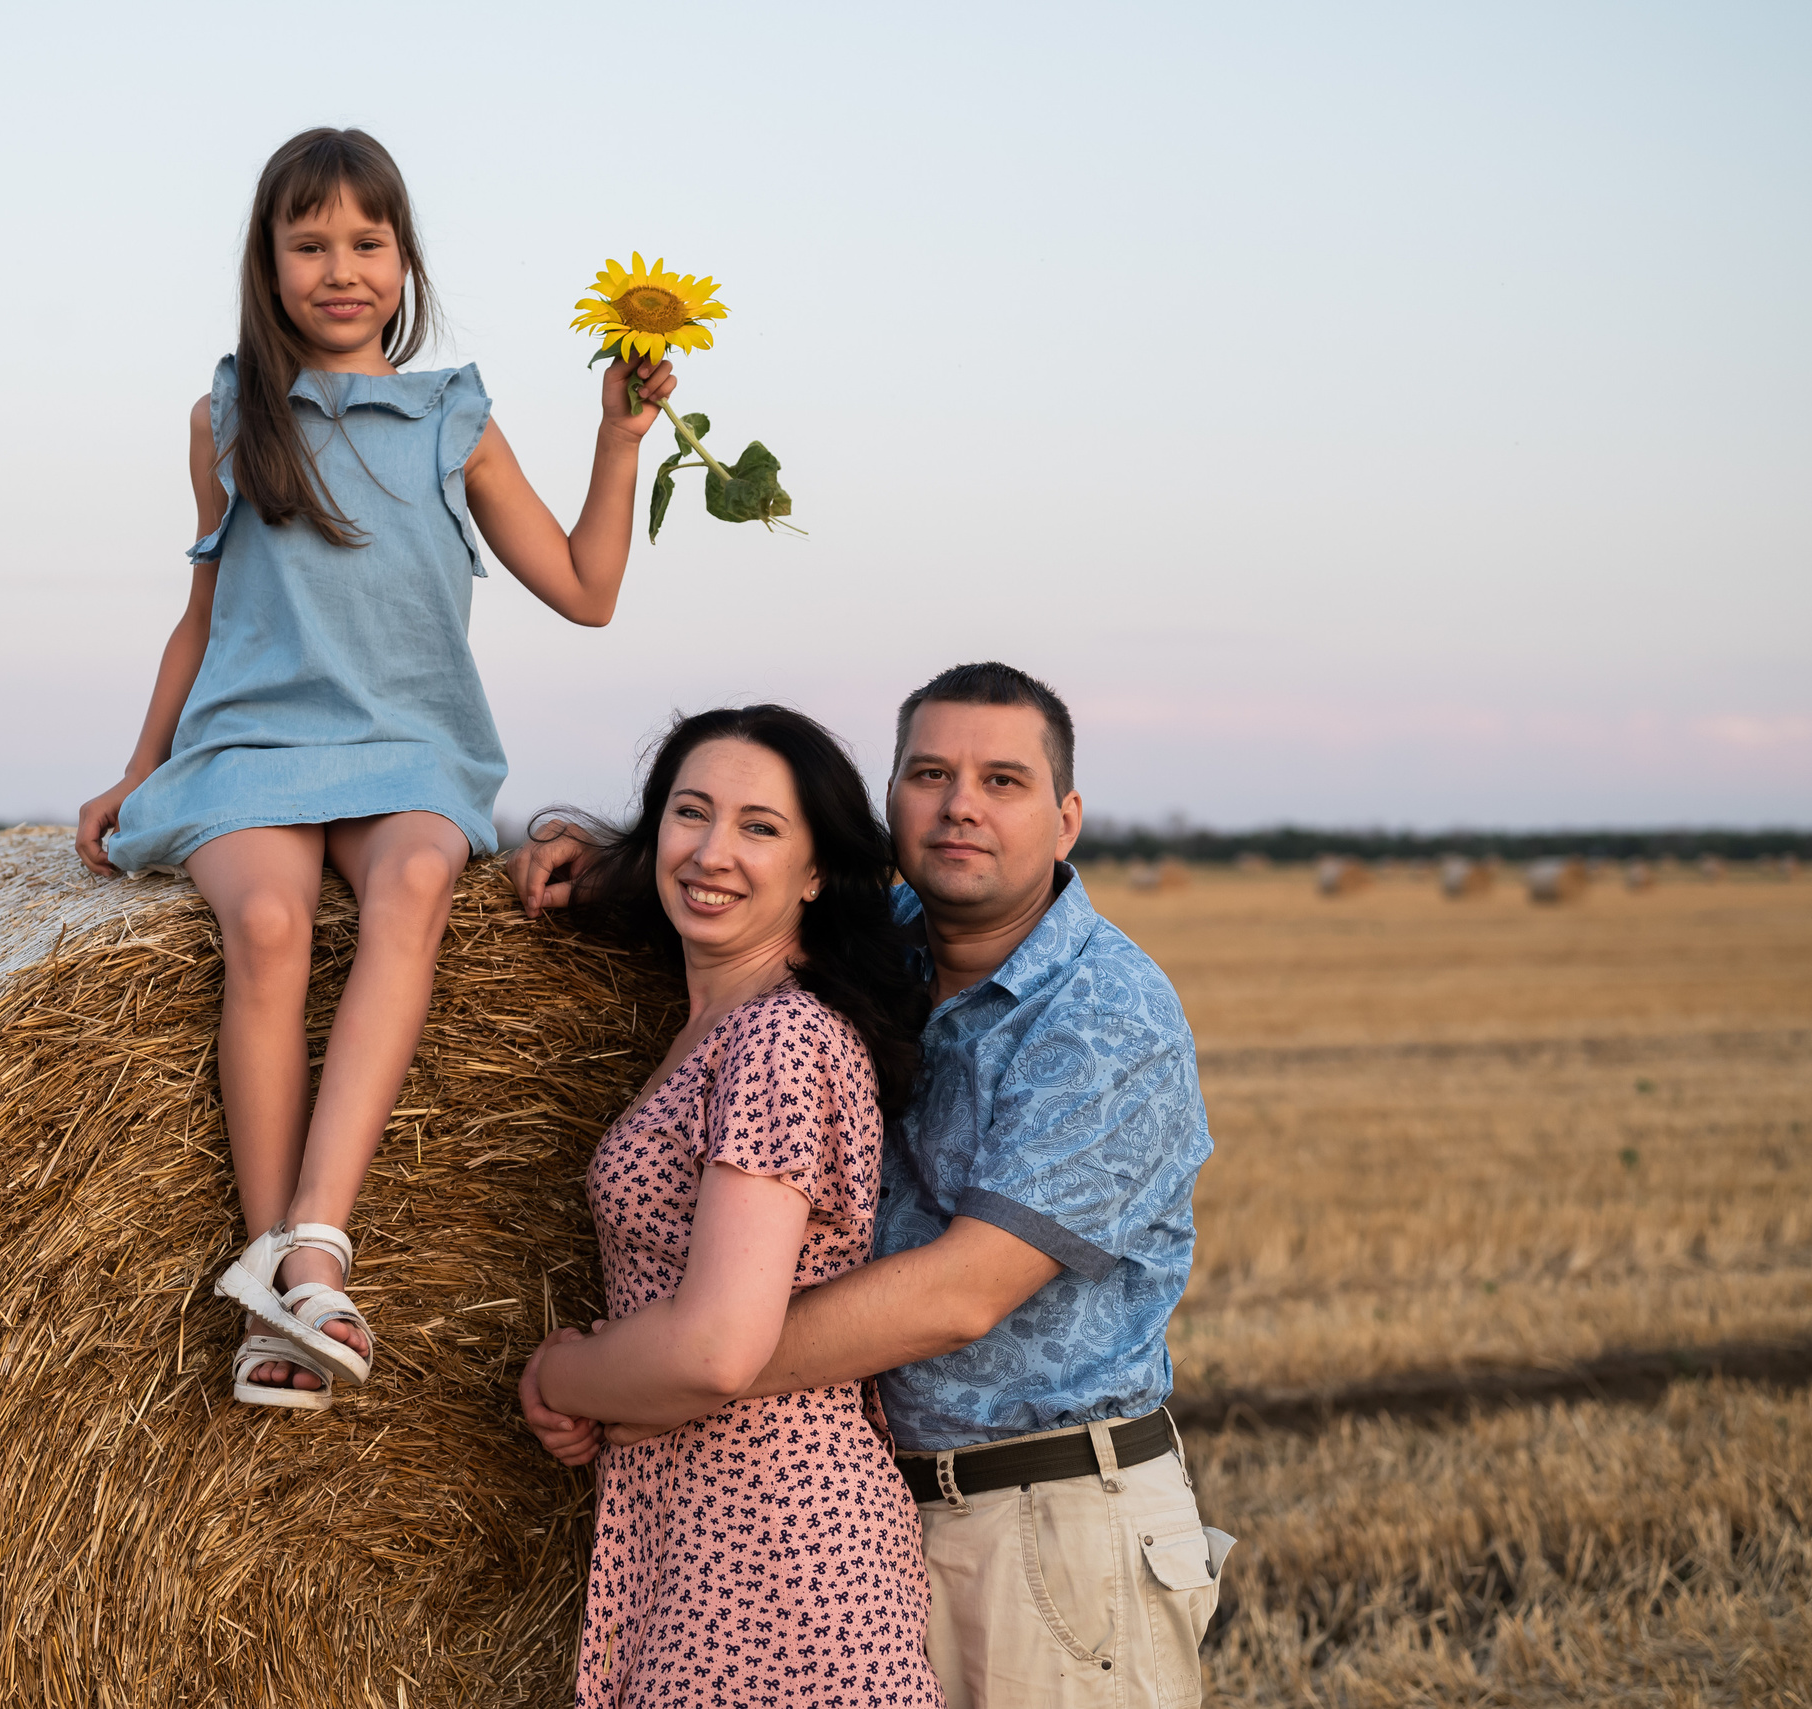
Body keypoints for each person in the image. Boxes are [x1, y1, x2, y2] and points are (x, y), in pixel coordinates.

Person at [73, 127, 677, 1409]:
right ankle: (271, 1274)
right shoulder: (227, 416)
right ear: (267, 262)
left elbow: (586, 589)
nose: (339, 269)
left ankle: (315, 1245)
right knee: (267, 924)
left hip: (409, 747)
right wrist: (137, 767)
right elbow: (202, 612)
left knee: (412, 883)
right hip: (249, 745)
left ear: (405, 261)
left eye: (366, 242)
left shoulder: (455, 420)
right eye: (309, 245)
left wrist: (619, 440)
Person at [516, 664, 1222, 1709]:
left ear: (1066, 818)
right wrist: (597, 860)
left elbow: (958, 1294)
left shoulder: (1106, 1015)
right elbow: (740, 876)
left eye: (1003, 780)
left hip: (1050, 1518)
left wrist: (636, 1375)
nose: (960, 805)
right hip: (875, 1506)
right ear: (889, 802)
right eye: (930, 774)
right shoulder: (884, 944)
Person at [515, 705, 943, 1709]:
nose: (712, 851)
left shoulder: (778, 1040)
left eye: (760, 827)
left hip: (773, 1546)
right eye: (690, 812)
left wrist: (560, 1375)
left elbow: (715, 1346)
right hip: (707, 1530)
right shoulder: (722, 1026)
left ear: (815, 871)